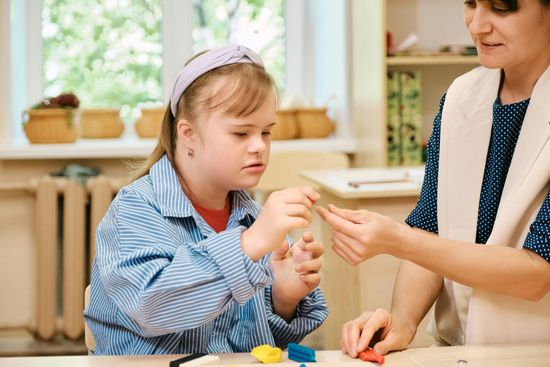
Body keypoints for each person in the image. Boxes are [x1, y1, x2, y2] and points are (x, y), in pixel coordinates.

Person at [317, 0, 550, 357]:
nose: (477, 26)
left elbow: (537, 273)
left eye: (501, 8)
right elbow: (431, 225)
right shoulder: (460, 98)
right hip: (457, 350)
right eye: (471, 4)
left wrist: (397, 241)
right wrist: (403, 319)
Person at [84, 45, 328, 355]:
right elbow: (154, 307)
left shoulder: (250, 215)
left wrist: (284, 298)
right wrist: (248, 244)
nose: (259, 146)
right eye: (241, 133)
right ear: (188, 134)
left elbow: (254, 349)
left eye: (266, 132)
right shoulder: (135, 210)